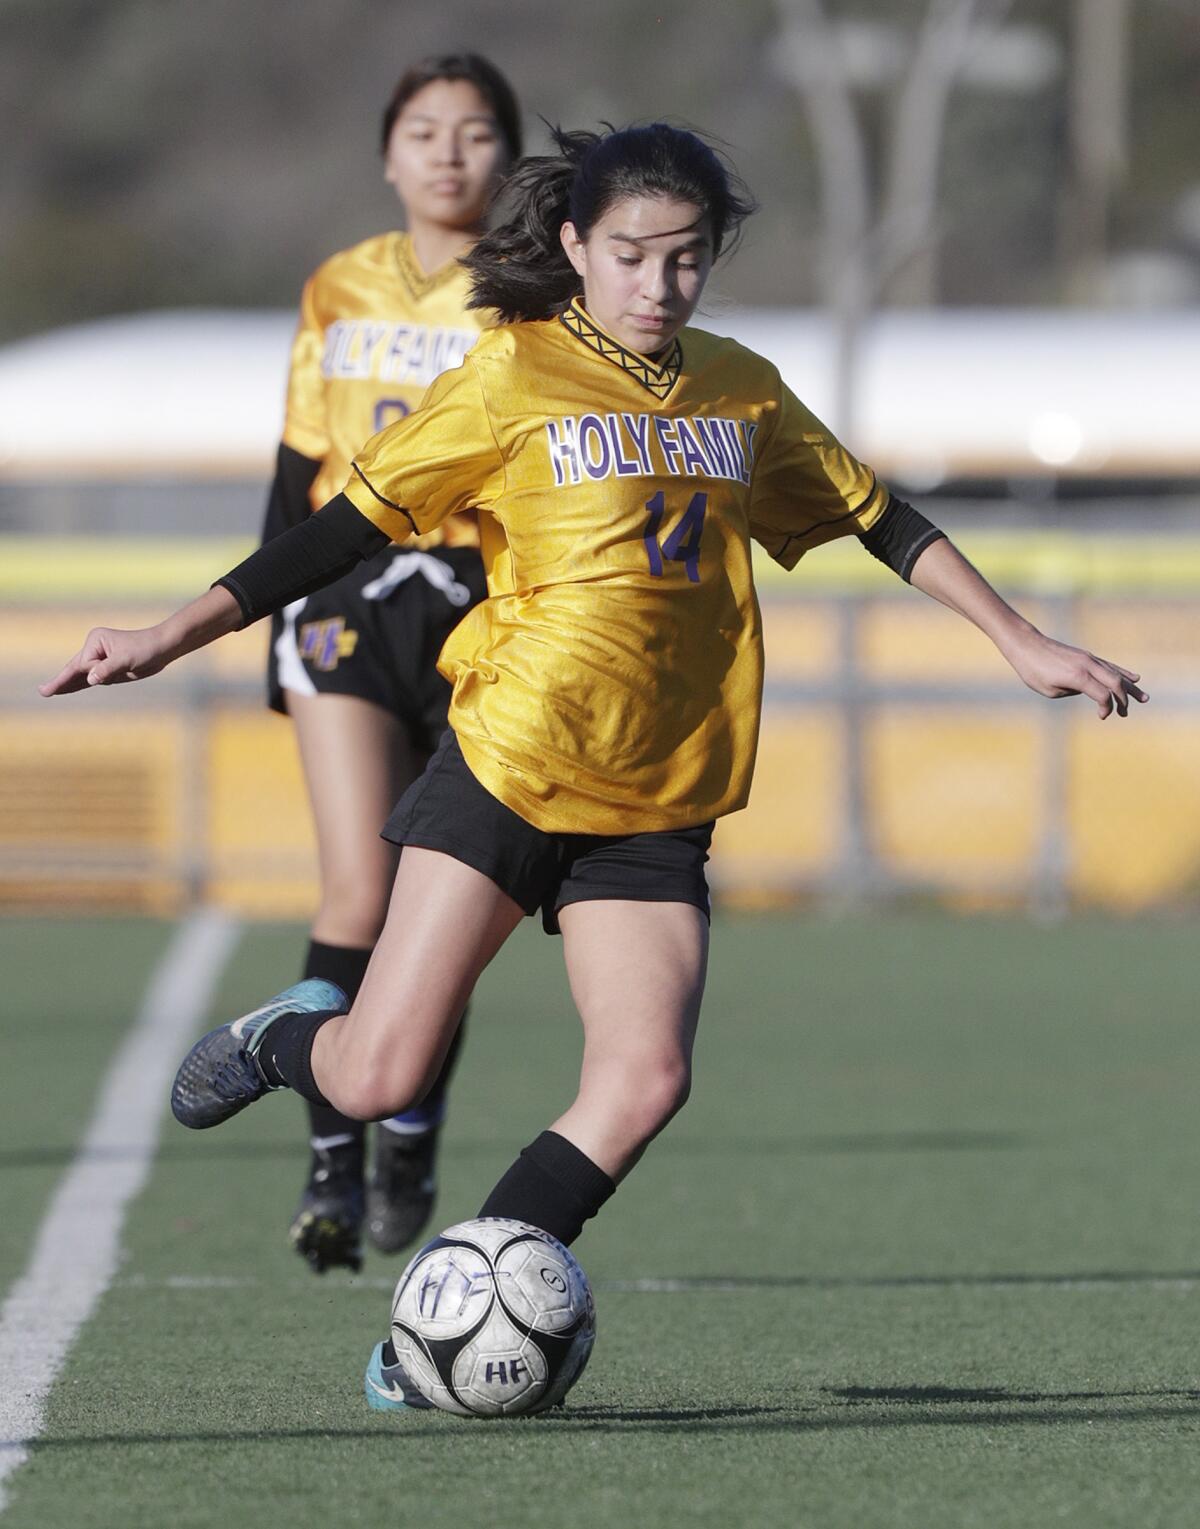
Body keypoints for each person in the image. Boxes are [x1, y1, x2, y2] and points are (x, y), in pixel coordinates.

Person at [41, 122, 1146, 1412]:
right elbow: (341, 526)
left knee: (644, 1080)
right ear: (573, 245)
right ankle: (293, 1035)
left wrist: (1021, 640)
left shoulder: (741, 388)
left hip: (661, 795)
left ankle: (435, 1320)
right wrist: (171, 634)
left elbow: (874, 513)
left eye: (686, 259)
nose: (659, 284)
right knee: (380, 1074)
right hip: (511, 764)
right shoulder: (512, 375)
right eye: (631, 255)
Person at [258, 54, 521, 1274]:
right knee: (356, 894)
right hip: (348, 593)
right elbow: (295, 455)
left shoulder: (534, 289)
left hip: (481, 600)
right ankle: (331, 1161)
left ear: (507, 157)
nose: (448, 153)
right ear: (387, 151)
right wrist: (270, 615)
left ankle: (409, 1123)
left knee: (437, 909)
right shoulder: (339, 284)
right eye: (424, 130)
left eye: (474, 133)